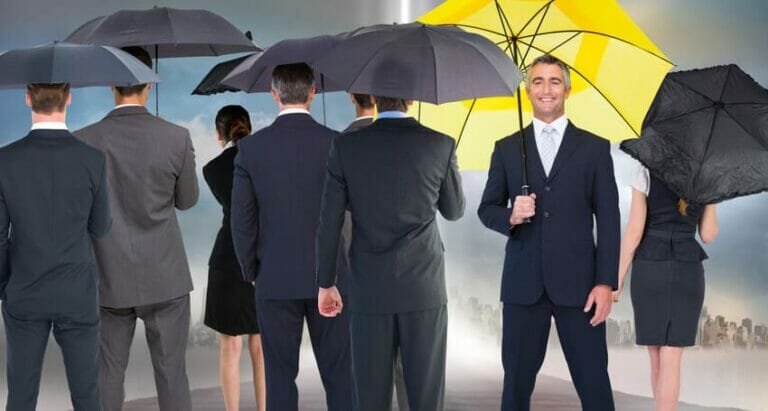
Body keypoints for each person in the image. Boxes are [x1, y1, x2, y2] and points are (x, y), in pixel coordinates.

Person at [477, 54, 620, 410]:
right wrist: (512, 215)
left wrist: (606, 283)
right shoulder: (508, 148)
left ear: (568, 90)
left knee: (595, 387)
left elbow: (609, 218)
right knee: (515, 389)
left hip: (581, 288)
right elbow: (486, 209)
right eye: (537, 81)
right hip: (523, 287)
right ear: (527, 91)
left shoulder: (594, 148)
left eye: (554, 81)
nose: (546, 89)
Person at [316, 89, 465, 410]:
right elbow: (454, 210)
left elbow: (328, 223)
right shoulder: (440, 144)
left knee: (369, 397)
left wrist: (326, 283)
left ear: (371, 98)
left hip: (369, 290)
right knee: (425, 396)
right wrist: (450, 165)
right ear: (411, 99)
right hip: (423, 289)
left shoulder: (345, 147)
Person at [74, 46, 199, 411]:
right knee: (172, 373)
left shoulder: (84, 140)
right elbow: (187, 200)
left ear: (112, 86)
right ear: (149, 83)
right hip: (166, 277)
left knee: (108, 374)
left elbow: (82, 212)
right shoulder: (176, 137)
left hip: (107, 277)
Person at [231, 63, 352, 411]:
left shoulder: (251, 150)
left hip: (274, 277)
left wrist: (252, 271)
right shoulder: (338, 143)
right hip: (331, 279)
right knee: (340, 375)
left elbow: (242, 222)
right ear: (313, 92)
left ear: (274, 93)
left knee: (279, 378)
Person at [0, 83, 111, 410]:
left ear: (27, 98)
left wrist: (5, 285)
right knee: (88, 395)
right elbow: (101, 228)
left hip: (24, 290)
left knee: (20, 395)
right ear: (69, 98)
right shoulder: (93, 159)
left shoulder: (4, 160)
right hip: (77, 292)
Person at [614, 166, 718, 410]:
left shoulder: (644, 170)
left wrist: (616, 279)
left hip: (650, 266)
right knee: (672, 356)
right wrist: (712, 196)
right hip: (687, 268)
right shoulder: (703, 174)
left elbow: (635, 230)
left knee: (657, 357)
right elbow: (708, 234)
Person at [342, 91, 409, 411]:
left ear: (350, 96)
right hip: (412, 274)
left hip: (358, 272)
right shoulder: (421, 141)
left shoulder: (342, 144)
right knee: (408, 364)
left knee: (364, 367)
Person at [203, 105, 266, 411]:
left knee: (231, 345)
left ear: (219, 134)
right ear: (249, 127)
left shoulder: (212, 169)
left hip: (228, 259)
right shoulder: (267, 160)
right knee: (261, 345)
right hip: (264, 256)